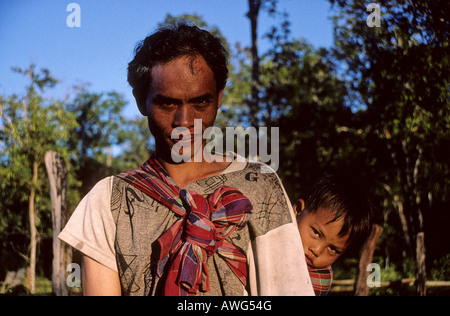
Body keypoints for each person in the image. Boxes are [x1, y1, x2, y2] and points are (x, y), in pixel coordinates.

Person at [59, 23, 314, 296]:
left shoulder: (260, 185)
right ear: (140, 100)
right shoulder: (107, 201)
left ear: (218, 98)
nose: (184, 122)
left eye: (200, 103)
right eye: (167, 104)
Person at [293, 175, 374, 296]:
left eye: (333, 249)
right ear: (298, 210)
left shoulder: (317, 279)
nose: (316, 251)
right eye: (316, 232)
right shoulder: (269, 234)